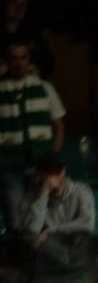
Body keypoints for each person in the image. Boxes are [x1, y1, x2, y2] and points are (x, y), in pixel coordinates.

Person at [18, 152, 96, 283]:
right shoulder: (30, 198)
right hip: (48, 270)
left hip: (79, 266)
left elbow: (87, 224)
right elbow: (32, 230)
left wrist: (51, 229)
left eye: (53, 174)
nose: (49, 180)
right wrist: (43, 195)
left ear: (62, 173)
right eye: (44, 175)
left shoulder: (80, 191)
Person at [0, 41, 66, 233]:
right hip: (9, 165)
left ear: (29, 60)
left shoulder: (45, 87)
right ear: (6, 61)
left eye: (23, 58)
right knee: (15, 220)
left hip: (41, 164)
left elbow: (59, 126)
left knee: (44, 215)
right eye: (13, 58)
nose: (19, 63)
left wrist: (54, 155)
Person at [0, 0, 54, 80]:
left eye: (23, 4)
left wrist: (38, 69)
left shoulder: (33, 35)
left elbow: (48, 63)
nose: (19, 7)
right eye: (14, 2)